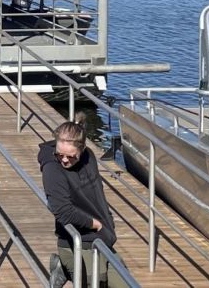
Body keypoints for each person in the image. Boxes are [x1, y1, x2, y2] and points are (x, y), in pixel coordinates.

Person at [38, 112, 126, 288]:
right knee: (96, 281)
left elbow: (96, 192)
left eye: (71, 156)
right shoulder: (52, 169)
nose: (64, 159)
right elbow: (62, 211)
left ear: (83, 149)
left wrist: (106, 219)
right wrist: (95, 224)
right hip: (79, 239)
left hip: (103, 236)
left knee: (124, 284)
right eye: (59, 154)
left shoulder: (89, 156)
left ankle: (63, 269)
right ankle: (64, 267)